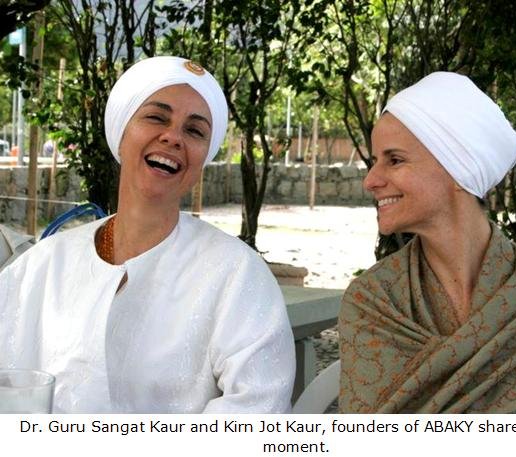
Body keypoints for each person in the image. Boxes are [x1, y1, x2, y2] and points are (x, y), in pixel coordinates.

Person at [0, 56, 295, 413]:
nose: (173, 137)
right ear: (121, 134)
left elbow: (257, 408)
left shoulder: (236, 274)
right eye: (156, 117)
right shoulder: (43, 265)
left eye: (195, 131)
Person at [339, 71, 516, 413]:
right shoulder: (374, 300)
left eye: (394, 160)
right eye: (375, 162)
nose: (370, 180)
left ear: (459, 169)